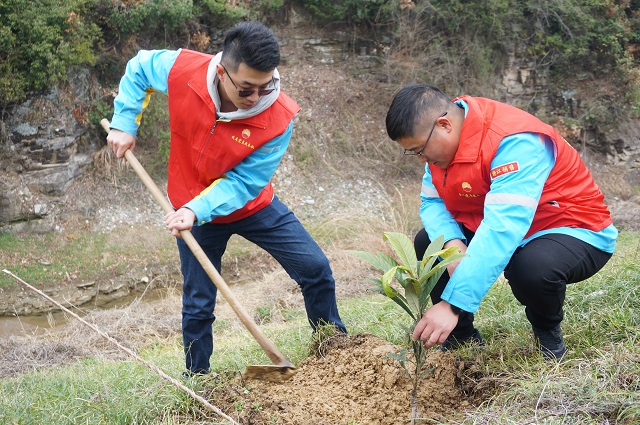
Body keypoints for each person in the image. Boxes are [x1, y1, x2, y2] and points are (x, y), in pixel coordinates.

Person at [106, 21, 346, 375]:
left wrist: (197, 208)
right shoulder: (183, 69)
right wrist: (124, 122)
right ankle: (198, 378)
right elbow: (140, 67)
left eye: (266, 86)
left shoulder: (279, 117)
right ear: (222, 72)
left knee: (315, 269)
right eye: (247, 89)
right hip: (190, 208)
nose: (257, 97)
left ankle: (337, 355)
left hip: (251, 205)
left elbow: (244, 182)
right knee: (198, 303)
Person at [385, 83, 617, 360]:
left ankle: (547, 335)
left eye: (420, 150)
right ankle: (461, 338)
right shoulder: (442, 149)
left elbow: (503, 227)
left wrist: (452, 305)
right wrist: (452, 242)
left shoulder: (516, 140)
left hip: (571, 228)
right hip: (506, 227)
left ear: (444, 125)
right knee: (430, 241)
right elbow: (432, 203)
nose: (421, 159)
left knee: (531, 268)